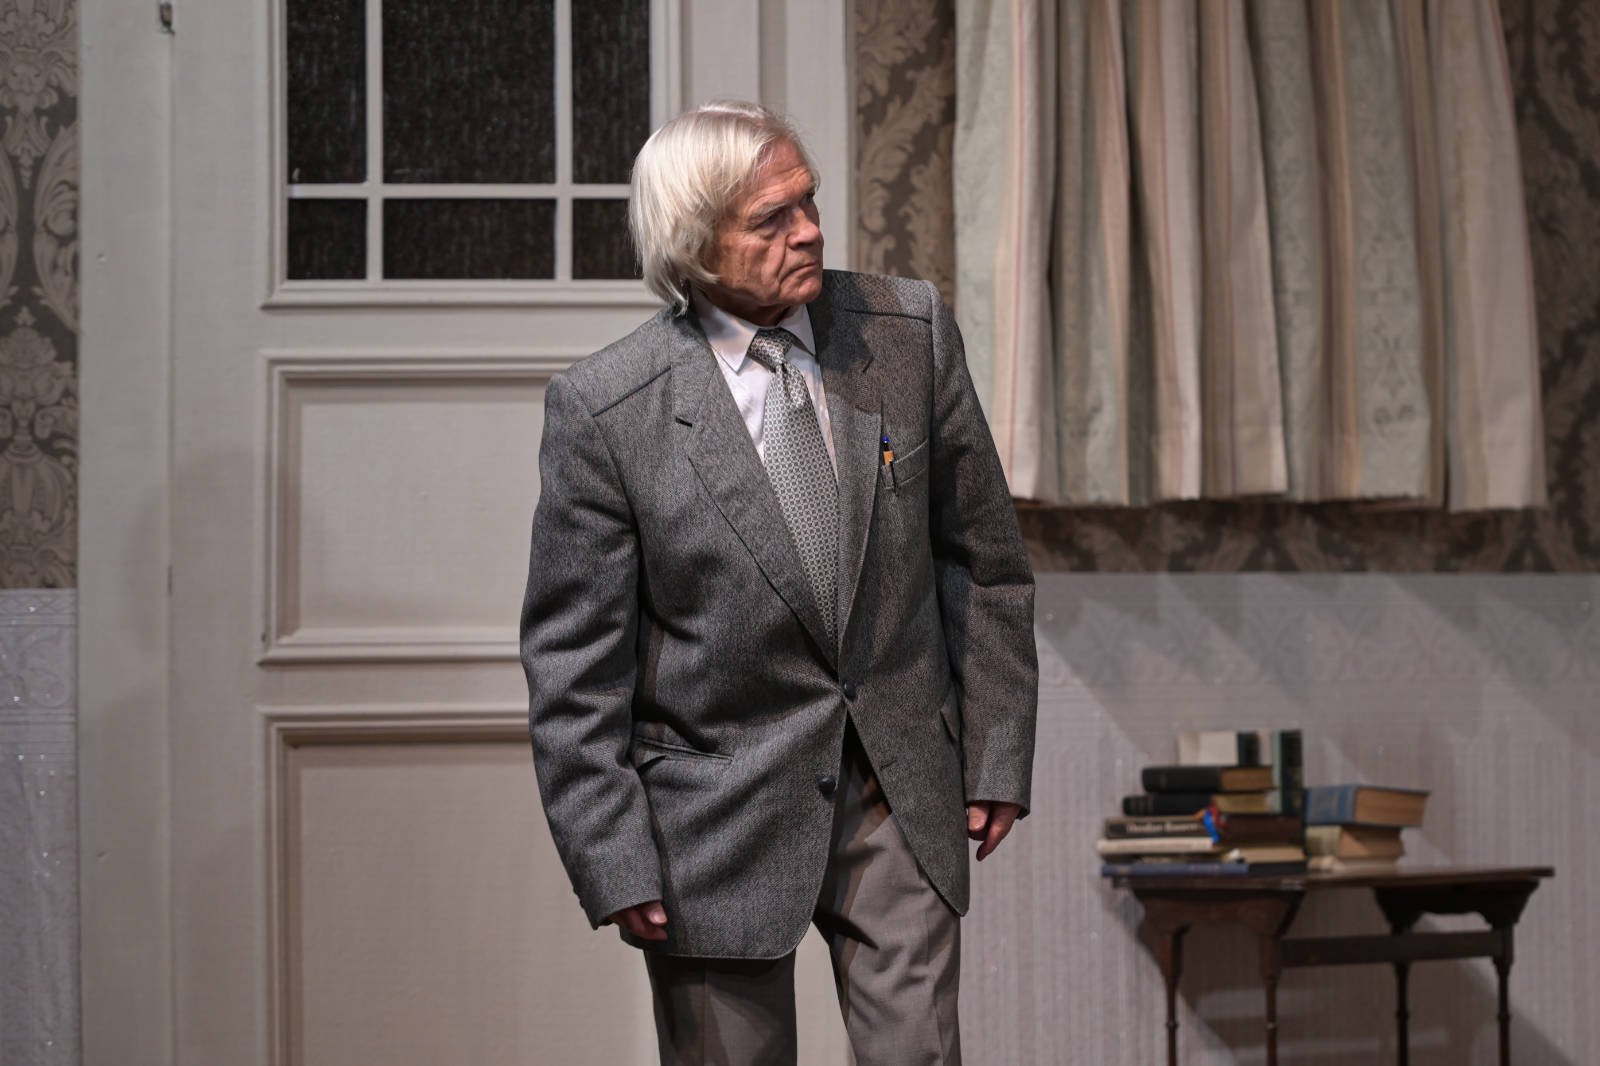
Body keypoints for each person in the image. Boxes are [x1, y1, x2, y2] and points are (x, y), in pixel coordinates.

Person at [520, 100, 1037, 1066]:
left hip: (898, 788)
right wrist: (612, 854)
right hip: (713, 821)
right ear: (693, 241)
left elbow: (986, 563)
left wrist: (998, 752)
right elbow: (574, 669)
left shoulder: (906, 331)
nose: (807, 231)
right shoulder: (607, 410)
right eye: (770, 219)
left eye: (808, 202)